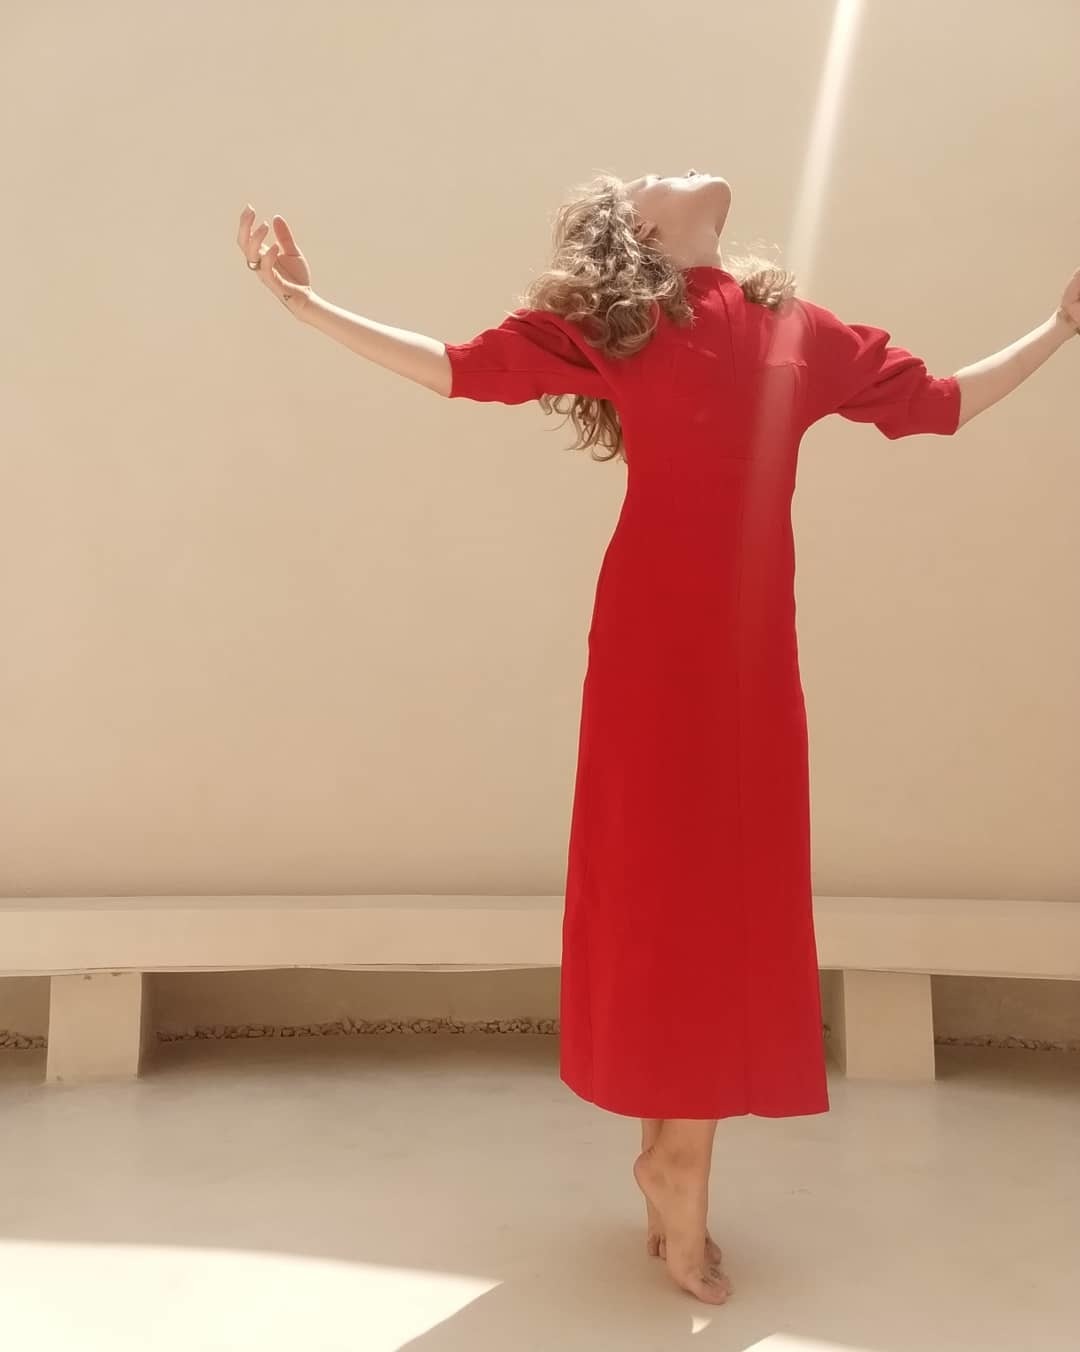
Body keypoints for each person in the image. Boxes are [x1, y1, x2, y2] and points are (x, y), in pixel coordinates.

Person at [236, 173, 1078, 1306]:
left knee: (721, 883)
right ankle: (677, 1159)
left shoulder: (800, 329)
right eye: (645, 179)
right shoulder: (617, 325)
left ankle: (670, 1154)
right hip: (653, 642)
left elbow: (942, 403)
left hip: (752, 651)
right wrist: (305, 304)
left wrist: (1061, 326)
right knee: (672, 882)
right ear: (644, 229)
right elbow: (458, 368)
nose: (668, 169)